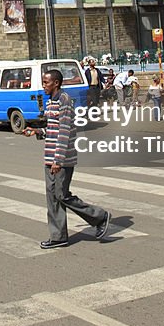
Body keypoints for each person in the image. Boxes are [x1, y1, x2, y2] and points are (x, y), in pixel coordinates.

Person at [29, 70, 110, 249]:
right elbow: (53, 128)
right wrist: (38, 132)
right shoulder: (51, 100)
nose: (43, 86)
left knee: (61, 195)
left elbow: (65, 130)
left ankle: (99, 216)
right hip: (50, 157)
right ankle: (58, 237)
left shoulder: (64, 100)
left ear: (56, 83)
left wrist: (58, 160)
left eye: (46, 82)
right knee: (52, 197)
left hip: (62, 158)